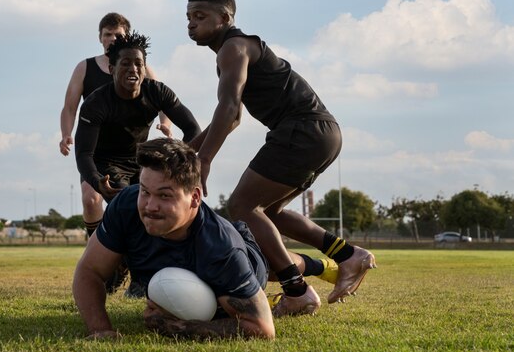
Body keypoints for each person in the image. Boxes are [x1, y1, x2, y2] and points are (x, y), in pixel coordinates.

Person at [185, 0, 376, 316]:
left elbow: (229, 108)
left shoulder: (233, 47)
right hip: (321, 133)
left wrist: (203, 159)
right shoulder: (232, 52)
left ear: (225, 18)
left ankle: (297, 292)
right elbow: (231, 120)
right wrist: (187, 150)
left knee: (241, 205)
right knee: (266, 212)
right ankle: (347, 255)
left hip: (302, 129)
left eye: (200, 16)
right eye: (188, 17)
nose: (191, 23)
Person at [73, 138, 336, 340]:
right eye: (145, 191)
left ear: (195, 198)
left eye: (165, 196)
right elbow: (89, 271)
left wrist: (176, 327)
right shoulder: (128, 204)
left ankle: (318, 267)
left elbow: (261, 329)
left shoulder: (222, 250)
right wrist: (101, 330)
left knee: (273, 265)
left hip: (240, 251)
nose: (150, 206)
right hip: (206, 251)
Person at [59, 12, 171, 239]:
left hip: (133, 152)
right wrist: (66, 134)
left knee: (135, 203)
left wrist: (165, 124)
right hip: (96, 152)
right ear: (100, 38)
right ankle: (94, 243)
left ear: (126, 36)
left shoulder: (142, 69)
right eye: (107, 34)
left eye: (117, 34)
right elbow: (69, 106)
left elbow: (163, 101)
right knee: (91, 200)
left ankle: (130, 253)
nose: (112, 38)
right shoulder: (85, 68)